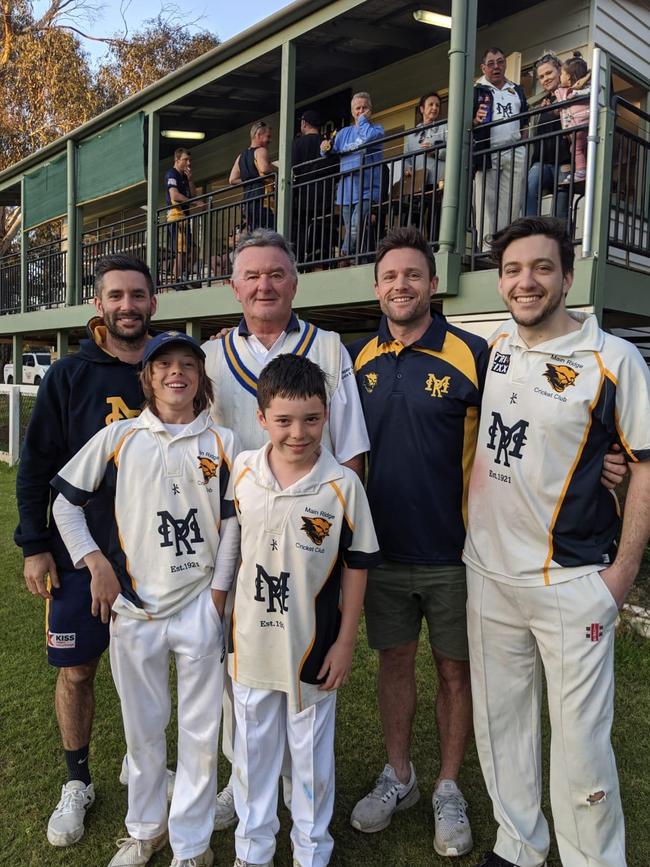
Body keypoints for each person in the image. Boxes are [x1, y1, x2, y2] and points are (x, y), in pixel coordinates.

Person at [463, 216, 650, 867]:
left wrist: (622, 574)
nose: (526, 281)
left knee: (581, 748)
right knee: (503, 726)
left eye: (541, 267)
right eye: (513, 270)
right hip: (487, 572)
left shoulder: (614, 359)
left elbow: (644, 463)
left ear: (568, 277)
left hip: (571, 580)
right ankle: (519, 843)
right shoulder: (494, 346)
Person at [203, 227, 370, 830]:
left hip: (308, 539)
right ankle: (244, 780)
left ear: (295, 282)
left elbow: (349, 449)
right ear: (233, 286)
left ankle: (303, 799)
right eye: (251, 275)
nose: (264, 284)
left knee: (304, 654)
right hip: (236, 529)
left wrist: (337, 536)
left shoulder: (327, 347)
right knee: (239, 666)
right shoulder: (212, 353)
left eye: (275, 273)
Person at [51, 331, 239, 867]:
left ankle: (192, 845)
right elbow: (65, 503)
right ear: (148, 377)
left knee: (202, 734)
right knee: (143, 728)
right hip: (134, 610)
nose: (176, 373)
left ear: (201, 378)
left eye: (187, 365)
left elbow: (233, 525)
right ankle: (146, 830)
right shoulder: (119, 438)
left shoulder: (225, 443)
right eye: (164, 366)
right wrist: (95, 562)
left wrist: (219, 596)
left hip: (200, 607)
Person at [348, 226, 489, 858]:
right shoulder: (358, 359)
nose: (400, 285)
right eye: (389, 277)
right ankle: (399, 774)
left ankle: (449, 786)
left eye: (412, 275)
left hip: (459, 554)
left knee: (455, 669)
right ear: (377, 289)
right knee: (395, 663)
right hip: (384, 552)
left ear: (433, 283)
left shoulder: (474, 353)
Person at [14, 254, 157, 848]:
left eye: (138, 296)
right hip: (79, 553)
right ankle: (77, 780)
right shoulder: (69, 375)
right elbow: (37, 465)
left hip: (156, 554)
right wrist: (33, 544)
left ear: (154, 303)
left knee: (151, 671)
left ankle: (143, 766)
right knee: (77, 671)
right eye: (115, 295)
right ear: (99, 305)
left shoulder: (171, 370)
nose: (127, 306)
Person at [227, 353, 381, 867]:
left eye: (312, 418)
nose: (298, 432)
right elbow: (233, 547)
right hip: (249, 644)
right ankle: (253, 850)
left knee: (311, 759)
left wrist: (344, 642)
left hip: (313, 647)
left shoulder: (343, 486)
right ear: (261, 418)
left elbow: (357, 565)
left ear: (327, 415)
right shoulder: (244, 470)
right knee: (252, 755)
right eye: (284, 420)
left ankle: (312, 850)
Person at [473, 48, 528, 250]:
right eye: (491, 63)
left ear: (505, 63)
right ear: (483, 67)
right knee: (486, 201)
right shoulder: (476, 90)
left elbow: (524, 120)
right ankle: (487, 248)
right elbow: (464, 122)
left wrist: (523, 141)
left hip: (515, 150)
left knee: (512, 200)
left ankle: (506, 247)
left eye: (500, 62)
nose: (496, 67)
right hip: (488, 151)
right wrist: (474, 120)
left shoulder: (517, 90)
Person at [321, 92, 384, 259]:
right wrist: (324, 147)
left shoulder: (377, 129)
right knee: (353, 231)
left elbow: (369, 137)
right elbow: (329, 151)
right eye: (358, 108)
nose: (361, 111)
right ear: (352, 111)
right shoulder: (344, 133)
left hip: (368, 189)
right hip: (346, 192)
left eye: (365, 108)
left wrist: (362, 121)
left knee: (356, 228)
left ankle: (344, 256)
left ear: (371, 110)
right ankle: (357, 261)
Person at [524, 51, 571, 218]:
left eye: (549, 73)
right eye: (541, 76)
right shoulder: (542, 104)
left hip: (565, 160)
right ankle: (532, 233)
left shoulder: (570, 95)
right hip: (541, 161)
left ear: (559, 70)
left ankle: (559, 242)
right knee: (528, 189)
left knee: (561, 206)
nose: (545, 79)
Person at [402, 91, 448, 238]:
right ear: (422, 109)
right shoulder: (412, 134)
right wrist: (407, 168)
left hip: (437, 182)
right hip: (418, 183)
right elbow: (406, 158)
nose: (434, 108)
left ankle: (434, 250)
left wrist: (435, 152)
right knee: (414, 219)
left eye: (437, 105)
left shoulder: (445, 127)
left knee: (435, 220)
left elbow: (454, 151)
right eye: (431, 104)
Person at [229, 120, 274, 232]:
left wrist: (248, 181)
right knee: (269, 234)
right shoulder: (261, 151)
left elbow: (232, 180)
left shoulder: (241, 156)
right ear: (258, 135)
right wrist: (276, 169)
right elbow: (264, 168)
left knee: (256, 235)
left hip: (248, 204)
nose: (270, 140)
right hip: (262, 201)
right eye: (267, 136)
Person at [555, 51, 591, 184]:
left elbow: (595, 88)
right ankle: (582, 170)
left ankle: (581, 172)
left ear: (569, 77)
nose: (560, 77)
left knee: (576, 148)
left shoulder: (575, 90)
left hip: (578, 125)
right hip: (578, 125)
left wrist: (576, 91)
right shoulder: (568, 91)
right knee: (577, 148)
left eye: (562, 74)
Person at [165, 148, 199, 286]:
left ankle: (185, 275)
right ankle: (176, 279)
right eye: (185, 160)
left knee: (194, 250)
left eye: (189, 160)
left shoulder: (185, 176)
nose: (188, 163)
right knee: (181, 251)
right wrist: (193, 202)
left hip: (184, 218)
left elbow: (194, 194)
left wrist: (190, 180)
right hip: (175, 216)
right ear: (177, 160)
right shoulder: (171, 174)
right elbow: (174, 195)